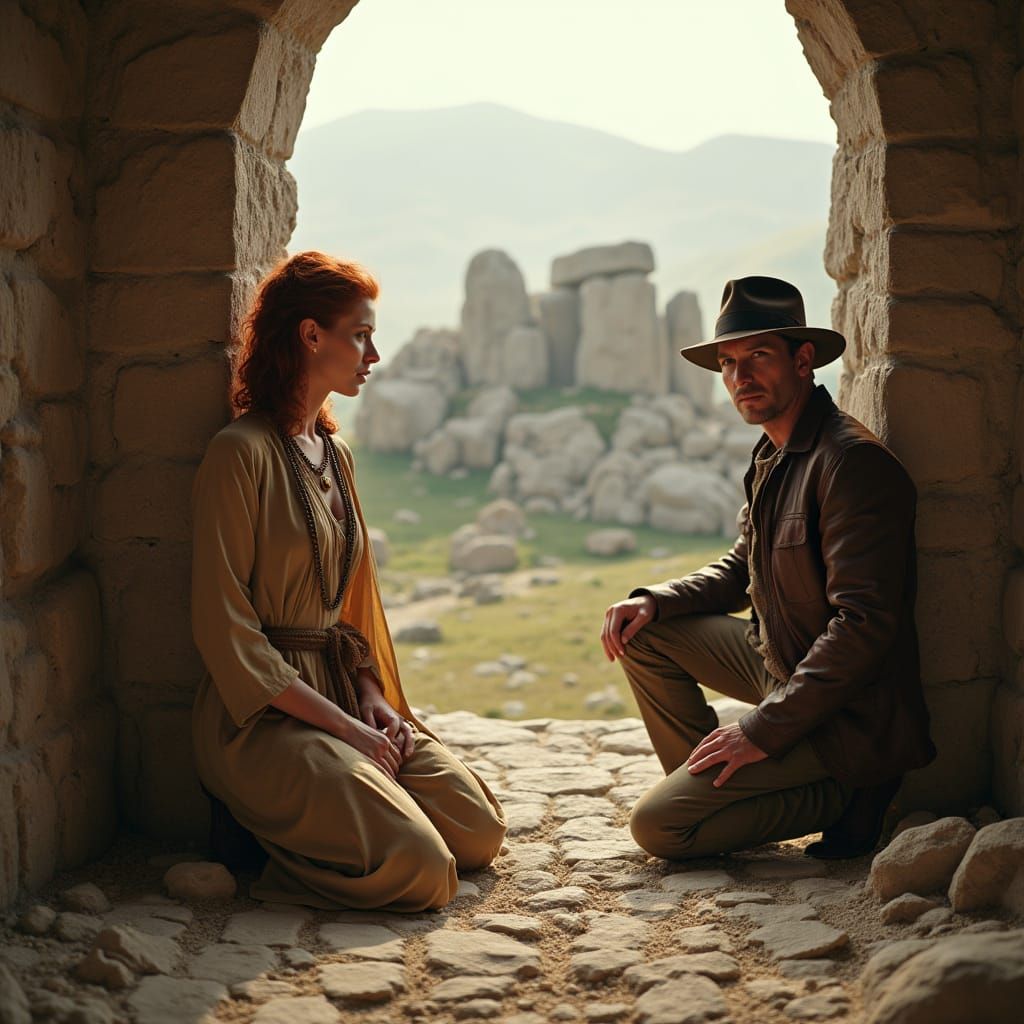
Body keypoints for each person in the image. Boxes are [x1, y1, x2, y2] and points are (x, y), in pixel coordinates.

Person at [191, 251, 506, 911]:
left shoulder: (338, 455)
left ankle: (330, 816)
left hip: (343, 690)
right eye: (360, 335)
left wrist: (373, 701)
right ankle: (273, 848)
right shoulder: (238, 454)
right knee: (425, 870)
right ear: (311, 336)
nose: (374, 353)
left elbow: (350, 610)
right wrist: (344, 731)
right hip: (265, 719)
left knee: (477, 833)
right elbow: (225, 629)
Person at [601, 276, 935, 861]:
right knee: (643, 633)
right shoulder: (773, 453)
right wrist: (654, 599)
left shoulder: (850, 465)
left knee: (658, 829)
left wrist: (760, 731)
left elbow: (864, 625)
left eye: (758, 356)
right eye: (728, 363)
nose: (740, 378)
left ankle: (841, 796)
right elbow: (742, 568)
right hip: (777, 662)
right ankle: (717, 786)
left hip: (846, 714)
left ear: (803, 360)